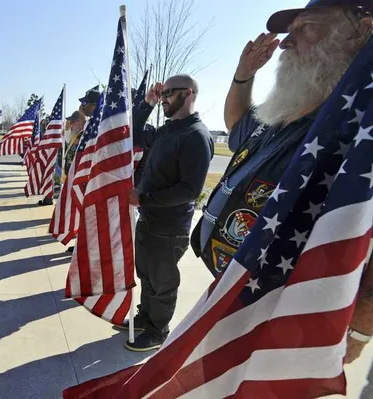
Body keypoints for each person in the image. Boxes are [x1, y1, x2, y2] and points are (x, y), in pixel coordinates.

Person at [189, 0, 372, 362]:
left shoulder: (358, 128)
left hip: (282, 319)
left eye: (306, 27)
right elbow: (238, 125)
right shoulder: (285, 112)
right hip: (232, 293)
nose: (286, 42)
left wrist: (360, 327)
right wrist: (244, 74)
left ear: (360, 30)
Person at [121, 75, 214, 352]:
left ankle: (158, 329)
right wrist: (146, 104)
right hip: (150, 218)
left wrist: (145, 198)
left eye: (167, 95)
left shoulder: (195, 135)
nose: (163, 100)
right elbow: (134, 133)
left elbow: (189, 189)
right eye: (161, 95)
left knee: (162, 281)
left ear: (187, 94)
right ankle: (146, 316)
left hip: (170, 226)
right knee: (146, 273)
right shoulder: (168, 130)